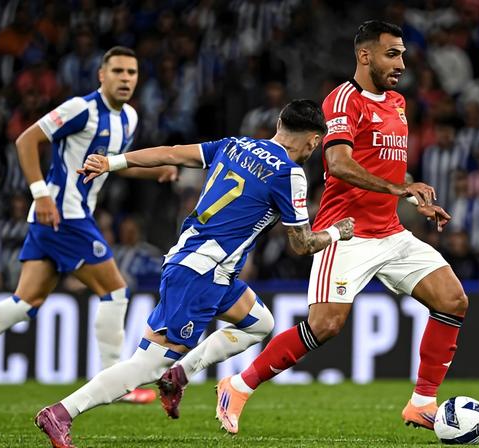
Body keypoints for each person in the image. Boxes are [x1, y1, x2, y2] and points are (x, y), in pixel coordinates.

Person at [195, 20, 467, 435]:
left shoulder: (397, 102)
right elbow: (338, 163)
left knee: (452, 301)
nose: (401, 63)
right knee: (325, 326)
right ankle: (238, 384)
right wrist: (402, 188)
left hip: (391, 232)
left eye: (402, 55)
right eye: (391, 54)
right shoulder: (342, 101)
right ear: (364, 55)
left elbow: (384, 164)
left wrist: (414, 191)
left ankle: (422, 403)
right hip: (347, 232)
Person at [34, 100, 355, 447]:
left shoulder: (235, 145)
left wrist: (112, 162)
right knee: (146, 365)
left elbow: (171, 153)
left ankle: (179, 376)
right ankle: (62, 412)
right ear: (313, 141)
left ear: (279, 124)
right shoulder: (290, 174)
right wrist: (339, 232)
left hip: (211, 270)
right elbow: (303, 244)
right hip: (201, 274)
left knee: (260, 323)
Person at [0, 46, 177, 406]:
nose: (125, 79)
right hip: (62, 214)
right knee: (116, 290)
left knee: (25, 302)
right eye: (118, 71)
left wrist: (156, 169)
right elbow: (26, 140)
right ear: (101, 75)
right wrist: (40, 194)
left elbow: (112, 163)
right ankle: (115, 382)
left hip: (67, 217)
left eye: (132, 73)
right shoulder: (81, 108)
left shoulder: (130, 119)